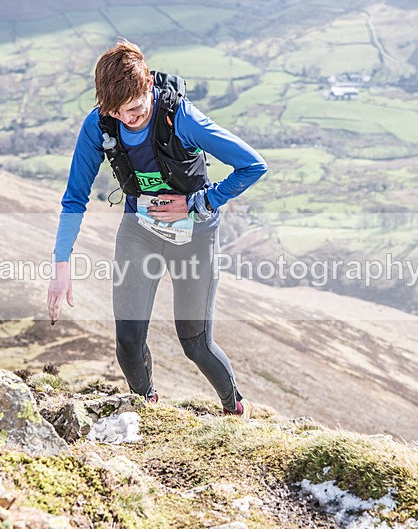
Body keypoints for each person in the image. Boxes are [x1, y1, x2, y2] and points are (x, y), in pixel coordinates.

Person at [47, 39, 267, 418]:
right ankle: (148, 410)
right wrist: (61, 264)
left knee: (195, 344)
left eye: (134, 109)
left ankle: (234, 408)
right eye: (116, 112)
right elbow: (74, 198)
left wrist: (199, 202)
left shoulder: (181, 118)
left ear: (149, 84)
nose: (127, 119)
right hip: (140, 231)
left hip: (194, 234)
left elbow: (252, 165)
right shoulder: (99, 124)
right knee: (128, 341)